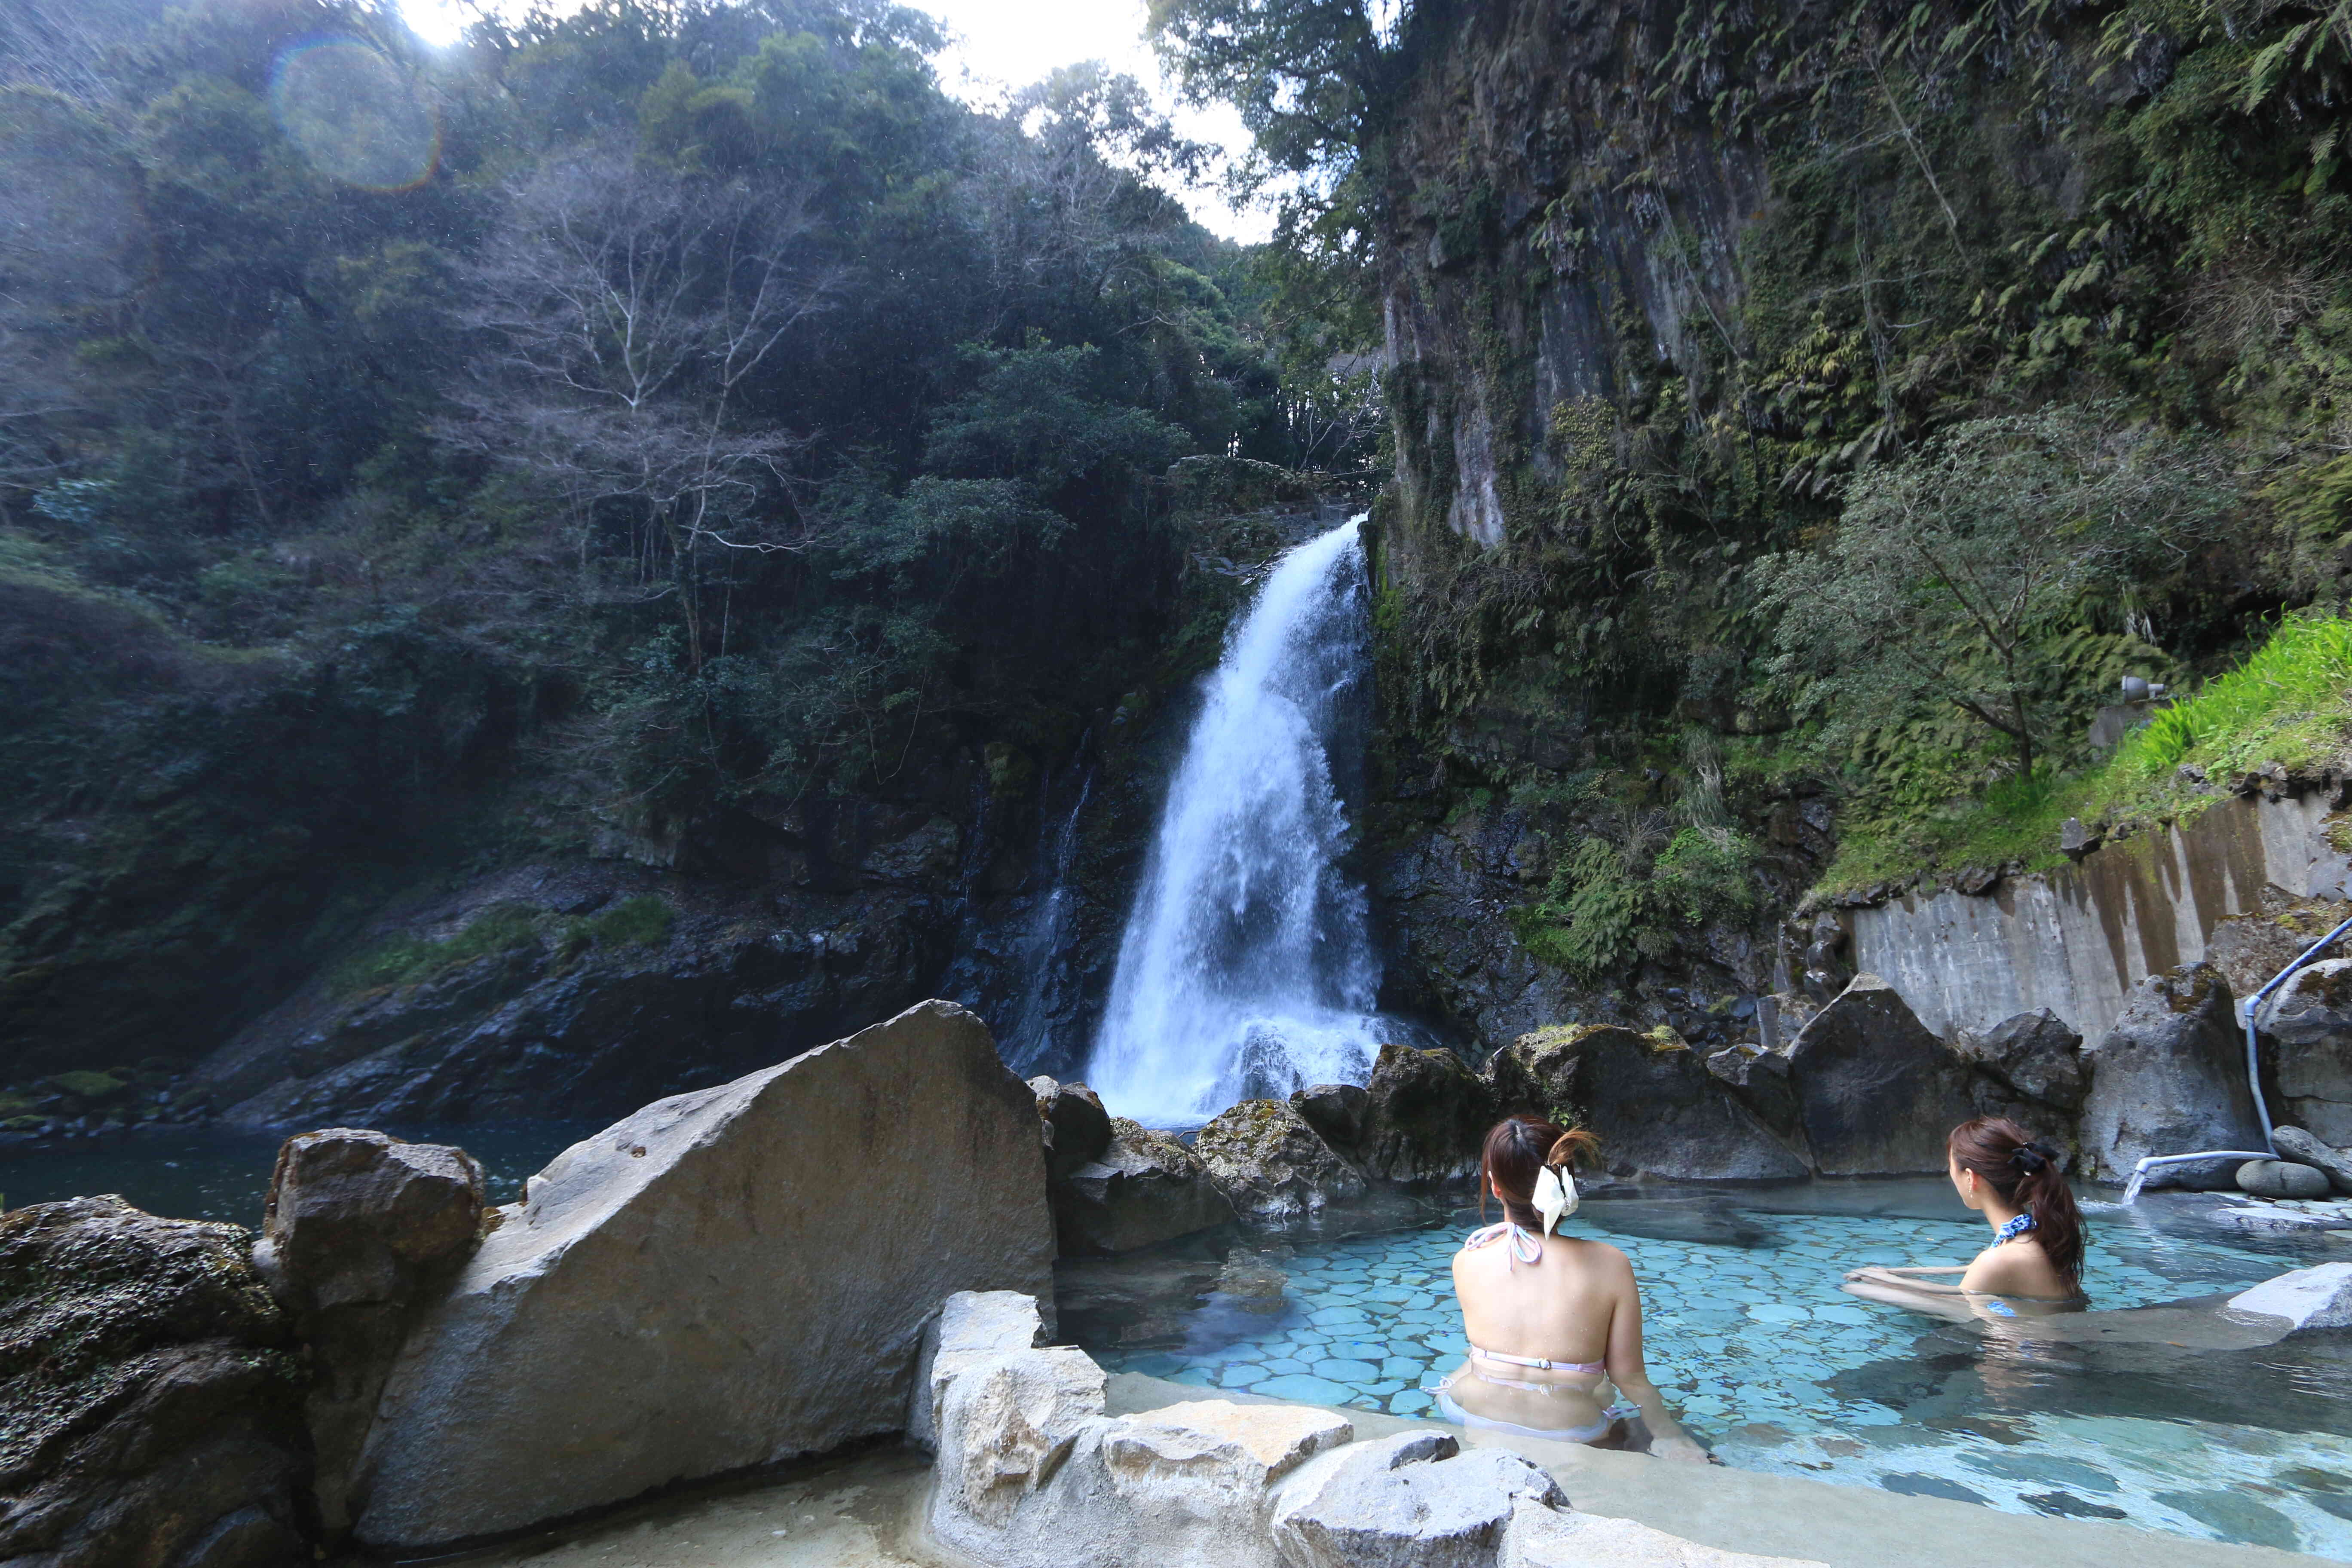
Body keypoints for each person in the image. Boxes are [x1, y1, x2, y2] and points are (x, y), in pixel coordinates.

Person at [1438, 1115, 1709, 1461]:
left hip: (1471, 1413)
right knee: (1604, 1390)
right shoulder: (1610, 1264)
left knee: (1472, 1360)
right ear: (1566, 1184)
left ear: (1495, 1187)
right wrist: (1669, 1433)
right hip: (1571, 1431)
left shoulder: (1468, 1257)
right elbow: (1630, 1378)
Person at [1843, 1116, 2088, 1315]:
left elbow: (1949, 1307)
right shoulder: (2035, 1235)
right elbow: (1972, 1271)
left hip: (2023, 1366)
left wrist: (1864, 1288)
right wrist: (1891, 1275)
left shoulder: (2002, 1259)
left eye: (1951, 1168)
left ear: (1971, 1178)